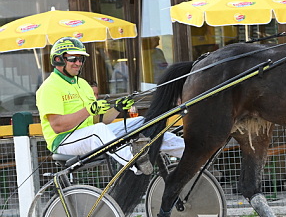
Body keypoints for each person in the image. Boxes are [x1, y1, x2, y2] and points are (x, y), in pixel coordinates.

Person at [36, 37, 185, 175]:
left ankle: (187, 150)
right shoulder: (49, 87)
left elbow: (100, 120)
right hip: (63, 141)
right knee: (98, 131)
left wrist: (117, 108)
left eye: (81, 59)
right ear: (58, 59)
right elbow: (58, 126)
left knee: (142, 122)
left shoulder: (82, 84)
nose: (78, 63)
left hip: (89, 134)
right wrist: (88, 110)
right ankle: (135, 165)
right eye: (73, 59)